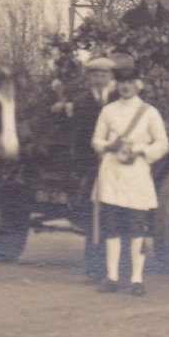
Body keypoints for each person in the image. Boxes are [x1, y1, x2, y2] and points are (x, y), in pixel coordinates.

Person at [90, 61, 169, 295]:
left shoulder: (149, 112)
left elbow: (162, 143)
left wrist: (142, 151)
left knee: (136, 227)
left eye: (130, 83)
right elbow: (96, 141)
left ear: (139, 85)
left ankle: (136, 278)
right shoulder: (108, 110)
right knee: (112, 227)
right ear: (116, 85)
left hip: (136, 176)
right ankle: (112, 276)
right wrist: (108, 145)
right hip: (112, 173)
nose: (126, 87)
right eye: (122, 83)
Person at [60, 56, 117, 281]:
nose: (99, 79)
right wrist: (82, 162)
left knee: (112, 214)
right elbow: (77, 136)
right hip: (91, 165)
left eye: (103, 75)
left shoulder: (117, 100)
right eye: (94, 75)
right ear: (89, 78)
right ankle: (93, 268)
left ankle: (112, 267)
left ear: (110, 78)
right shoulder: (82, 101)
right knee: (92, 215)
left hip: (114, 164)